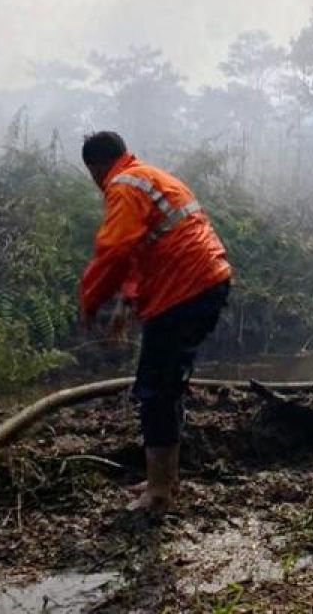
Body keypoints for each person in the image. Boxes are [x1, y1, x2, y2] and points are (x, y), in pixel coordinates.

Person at [79, 131, 233, 512]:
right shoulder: (149, 177)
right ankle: (165, 481)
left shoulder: (123, 186)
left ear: (95, 168)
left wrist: (90, 300)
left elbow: (114, 249)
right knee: (165, 385)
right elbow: (145, 252)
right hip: (205, 282)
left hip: (186, 289)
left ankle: (160, 493)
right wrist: (126, 304)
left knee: (155, 389)